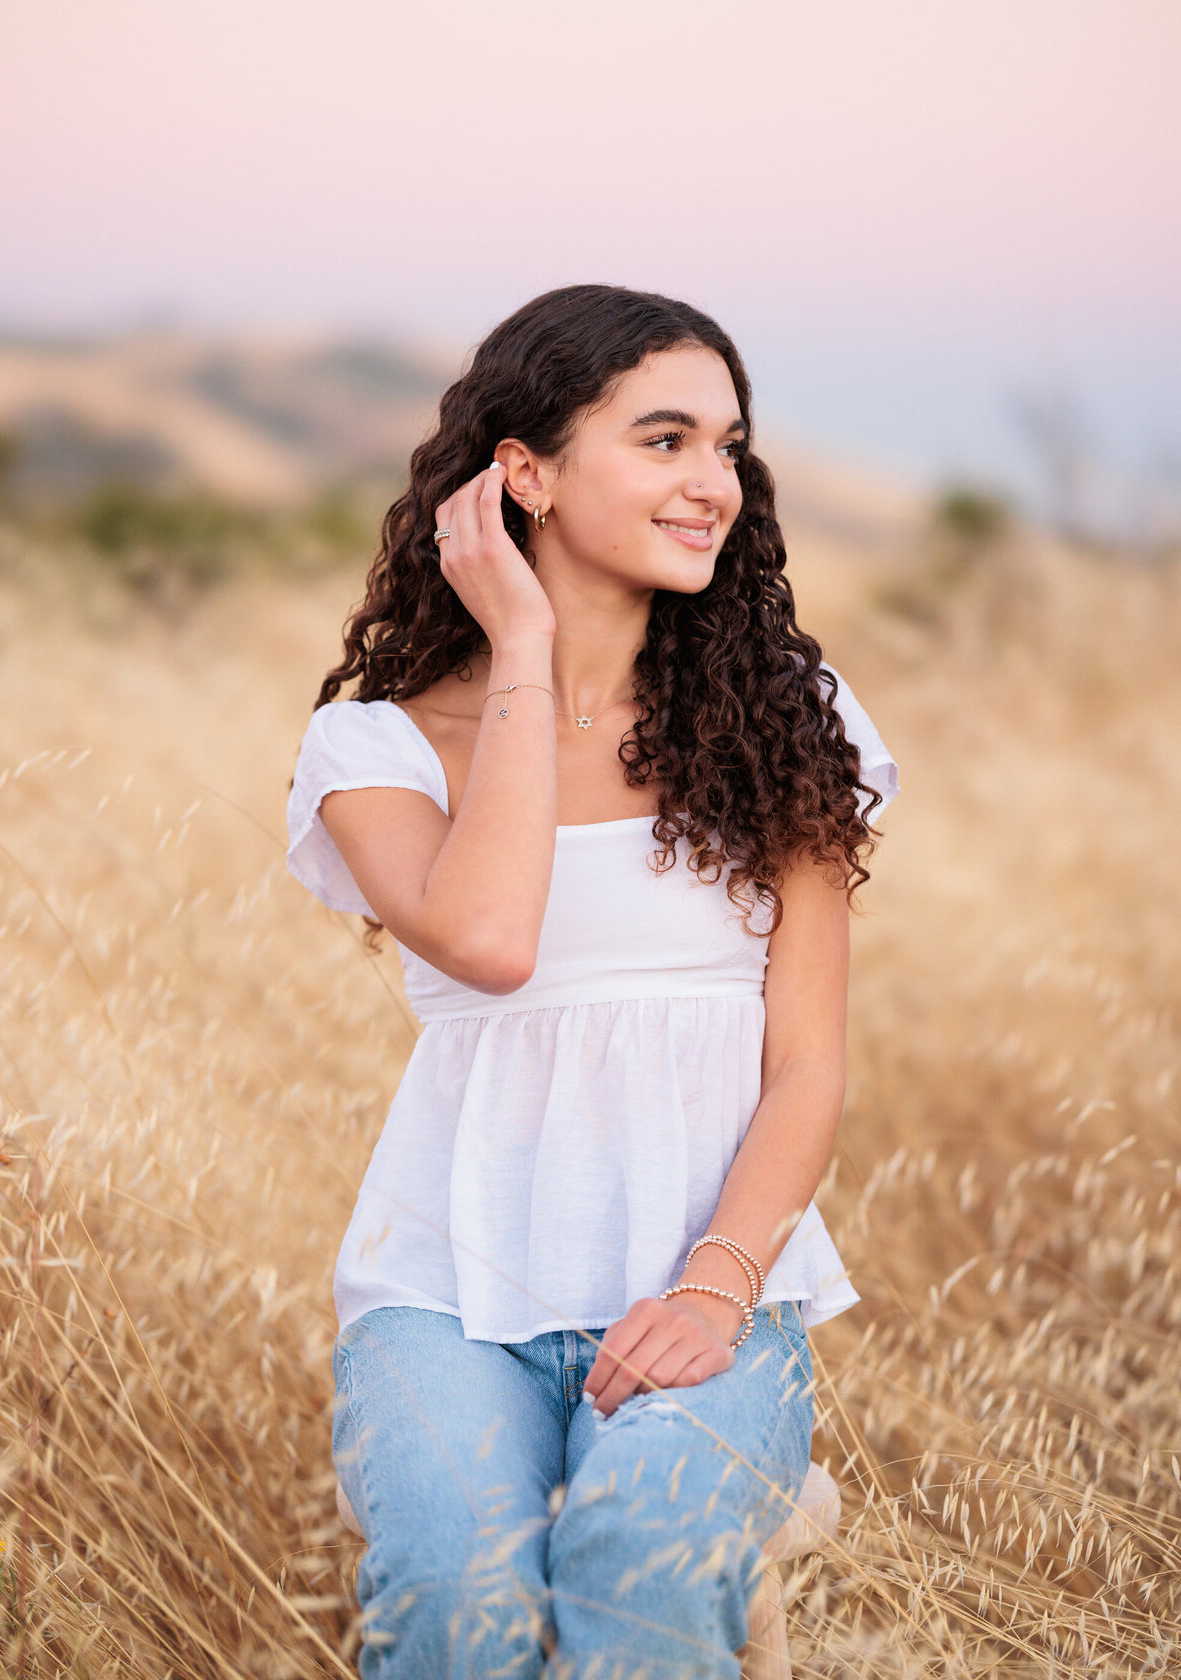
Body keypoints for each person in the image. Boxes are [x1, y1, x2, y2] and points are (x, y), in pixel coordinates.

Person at [285, 284, 900, 1679]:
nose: (714, 484)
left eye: (728, 446)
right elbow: (493, 937)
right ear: (528, 477)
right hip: (445, 1298)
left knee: (633, 1575)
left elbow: (806, 1062)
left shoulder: (790, 728)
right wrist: (522, 648)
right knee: (457, 1603)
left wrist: (715, 1287)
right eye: (666, 440)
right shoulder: (373, 748)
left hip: (717, 1288)